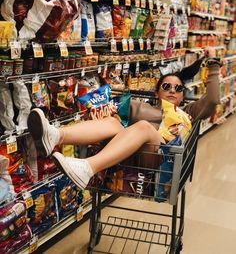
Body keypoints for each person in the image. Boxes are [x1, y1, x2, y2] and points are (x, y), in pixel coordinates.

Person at [27, 47, 220, 190]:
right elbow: (111, 115)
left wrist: (212, 64)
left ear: (183, 95)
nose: (172, 91)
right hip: (128, 157)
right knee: (114, 122)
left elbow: (212, 100)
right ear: (156, 91)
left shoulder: (188, 111)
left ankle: (88, 167)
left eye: (178, 88)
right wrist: (99, 107)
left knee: (144, 127)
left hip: (160, 165)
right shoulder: (140, 106)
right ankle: (55, 135)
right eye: (166, 86)